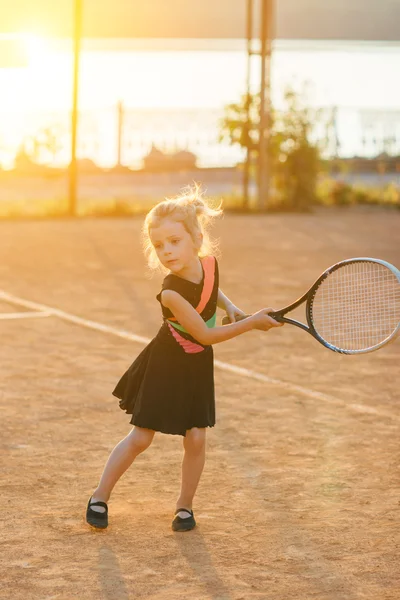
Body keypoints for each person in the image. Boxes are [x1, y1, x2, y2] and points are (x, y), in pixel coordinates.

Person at [86, 184, 283, 532]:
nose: (167, 251)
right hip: (166, 363)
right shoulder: (171, 293)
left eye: (174, 241)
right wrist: (251, 323)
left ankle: (184, 507)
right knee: (141, 438)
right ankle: (99, 496)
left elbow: (210, 286)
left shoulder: (208, 264)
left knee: (196, 439)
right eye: (159, 245)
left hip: (196, 365)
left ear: (196, 238)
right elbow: (205, 335)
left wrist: (233, 307)